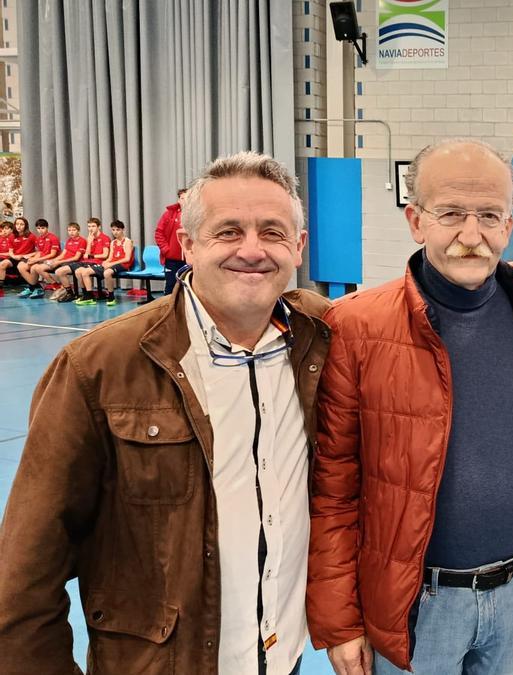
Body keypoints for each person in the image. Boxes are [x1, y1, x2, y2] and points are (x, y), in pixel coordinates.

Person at [0, 151, 331, 674]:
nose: (252, 250)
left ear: (299, 247)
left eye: (272, 232)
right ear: (188, 245)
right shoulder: (98, 368)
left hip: (280, 656)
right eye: (228, 232)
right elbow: (24, 571)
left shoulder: (322, 339)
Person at [308, 138, 513, 675]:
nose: (471, 235)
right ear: (416, 221)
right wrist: (341, 623)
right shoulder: (355, 328)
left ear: (509, 226)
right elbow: (333, 488)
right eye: (451, 214)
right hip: (416, 604)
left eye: (489, 216)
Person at [74, 220, 134, 306]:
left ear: (122, 230)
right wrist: (106, 262)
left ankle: (111, 296)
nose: (115, 232)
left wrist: (111, 264)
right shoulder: (113, 242)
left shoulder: (127, 241)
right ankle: (88, 296)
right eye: (113, 230)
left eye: (118, 230)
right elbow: (110, 257)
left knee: (107, 272)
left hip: (123, 264)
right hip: (113, 264)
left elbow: (127, 259)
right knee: (82, 271)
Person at [53, 218, 108, 303]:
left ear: (99, 227)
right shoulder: (89, 239)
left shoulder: (105, 238)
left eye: (93, 226)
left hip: (98, 263)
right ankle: (71, 293)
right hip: (86, 262)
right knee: (59, 271)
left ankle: (88, 295)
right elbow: (86, 256)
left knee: (80, 272)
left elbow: (105, 255)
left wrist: (91, 256)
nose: (91, 229)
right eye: (89, 226)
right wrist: (89, 243)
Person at [31, 221, 85, 300]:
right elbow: (63, 255)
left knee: (57, 271)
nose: (71, 232)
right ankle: (57, 286)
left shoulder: (82, 241)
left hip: (74, 262)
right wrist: (53, 260)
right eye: (69, 230)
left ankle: (69, 292)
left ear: (78, 231)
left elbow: (76, 258)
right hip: (64, 261)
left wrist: (59, 262)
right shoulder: (69, 240)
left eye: (74, 230)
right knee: (37, 267)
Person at [155, 187, 188, 294]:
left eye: (188, 198)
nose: (186, 201)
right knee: (170, 288)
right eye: (183, 198)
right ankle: (169, 311)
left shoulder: (196, 216)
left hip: (190, 259)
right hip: (172, 259)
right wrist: (166, 250)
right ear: (179, 200)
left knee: (188, 289)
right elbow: (159, 233)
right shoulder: (168, 214)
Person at [17, 219, 60, 298]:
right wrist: (30, 257)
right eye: (38, 228)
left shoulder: (53, 238)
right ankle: (34, 287)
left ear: (47, 228)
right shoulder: (39, 239)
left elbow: (52, 254)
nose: (40, 230)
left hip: (52, 260)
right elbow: (40, 252)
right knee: (21, 266)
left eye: (42, 228)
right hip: (42, 260)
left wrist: (36, 260)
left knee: (34, 267)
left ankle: (56, 286)